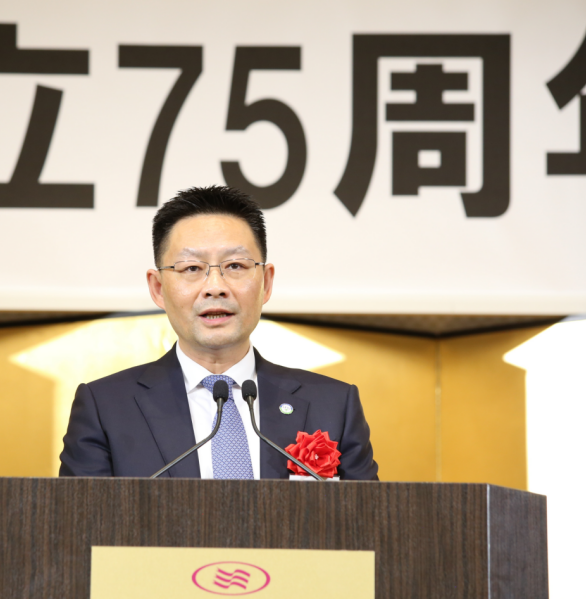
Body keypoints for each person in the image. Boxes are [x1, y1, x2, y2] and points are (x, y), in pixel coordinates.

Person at [59, 185, 378, 480]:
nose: (215, 287)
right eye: (191, 268)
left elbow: (366, 519)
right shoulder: (106, 408)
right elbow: (83, 520)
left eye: (235, 266)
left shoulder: (333, 406)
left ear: (266, 283)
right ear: (158, 288)